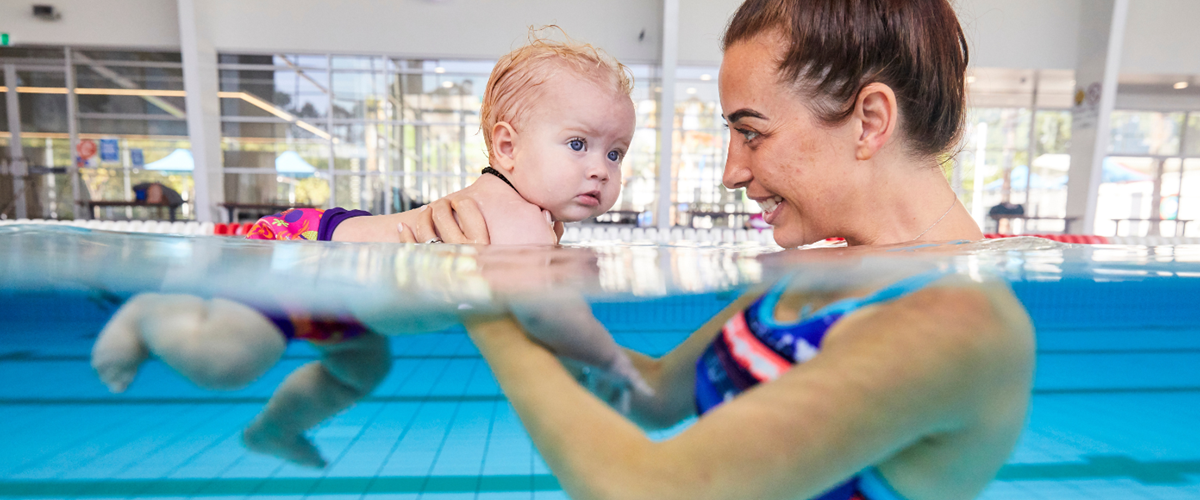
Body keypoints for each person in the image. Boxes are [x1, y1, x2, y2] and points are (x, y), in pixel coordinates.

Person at [461, 1, 1034, 499]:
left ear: (869, 121)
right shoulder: (824, 269)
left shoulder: (960, 322)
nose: (732, 172)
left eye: (752, 132)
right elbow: (656, 394)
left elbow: (651, 489)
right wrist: (517, 271)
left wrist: (485, 299)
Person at [91, 31, 650, 468]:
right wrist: (608, 360)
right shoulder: (518, 219)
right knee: (230, 362)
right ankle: (147, 315)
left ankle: (275, 430)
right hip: (302, 260)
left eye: (617, 153)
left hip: (350, 304)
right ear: (506, 146)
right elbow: (550, 313)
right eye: (578, 143)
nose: (600, 168)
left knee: (361, 369)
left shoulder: (534, 217)